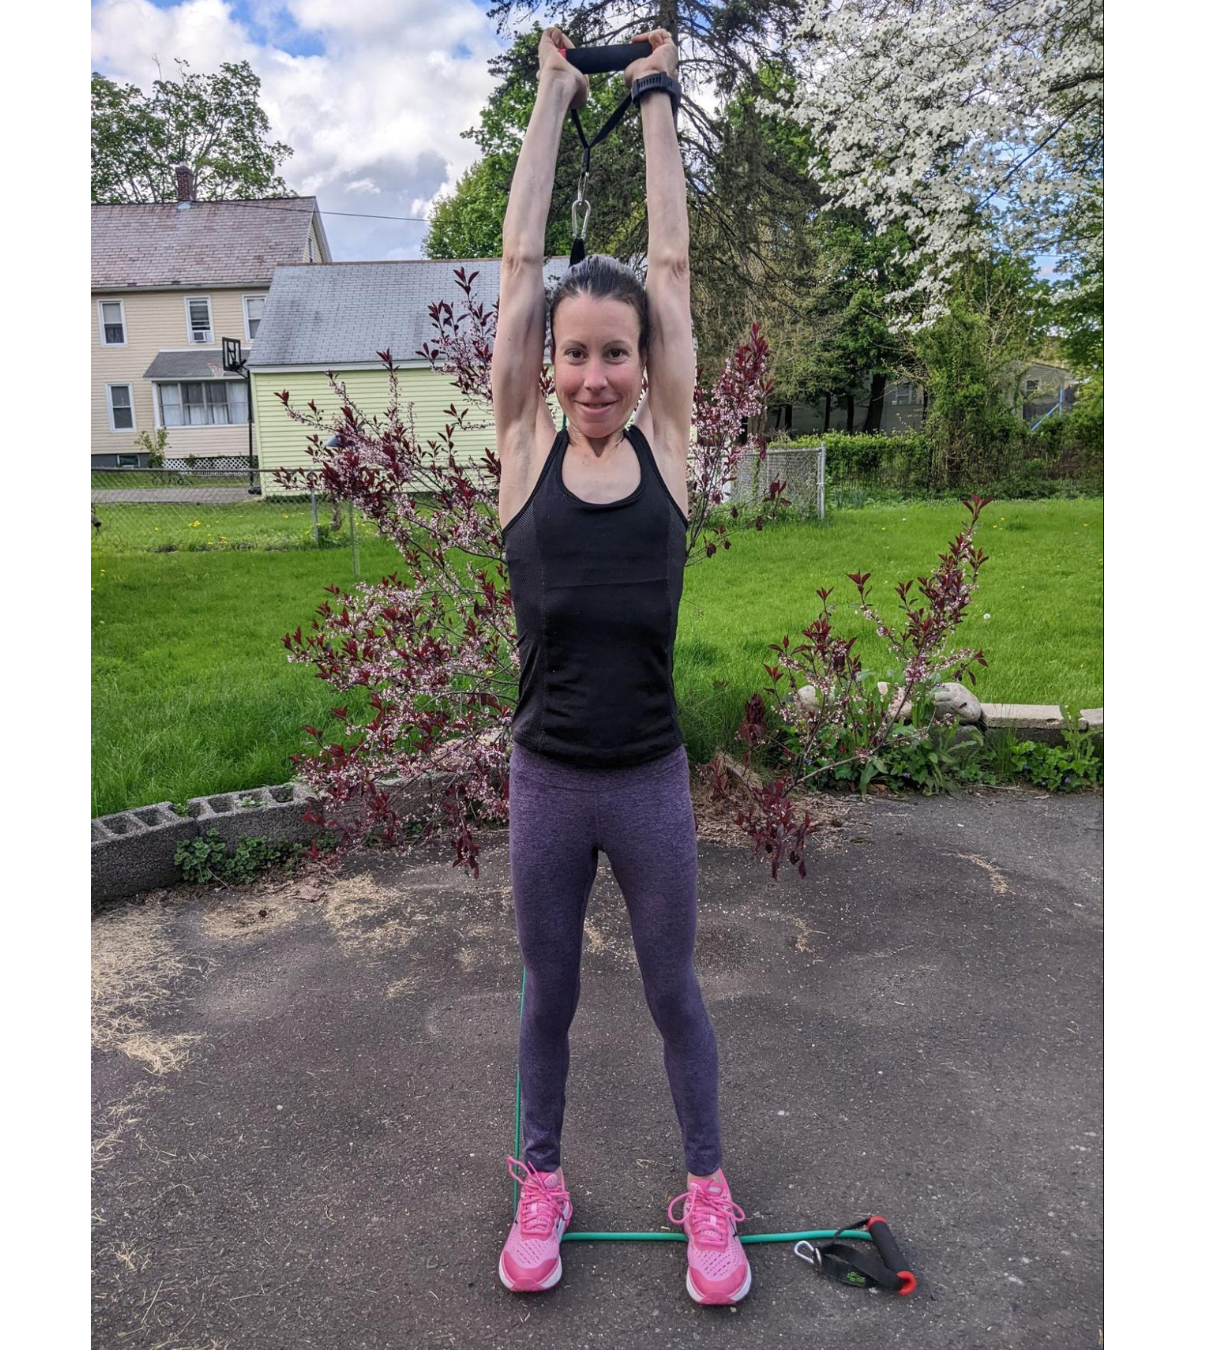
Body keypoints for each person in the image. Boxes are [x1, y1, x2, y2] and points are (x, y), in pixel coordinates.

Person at [487, 29, 750, 1305]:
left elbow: (673, 262)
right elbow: (520, 261)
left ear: (648, 365)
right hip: (548, 780)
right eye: (576, 352)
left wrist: (656, 94)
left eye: (616, 353)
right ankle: (540, 1179)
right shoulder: (523, 447)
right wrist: (552, 95)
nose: (595, 374)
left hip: (647, 783)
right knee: (548, 994)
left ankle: (708, 1189)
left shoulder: (672, 451)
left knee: (672, 991)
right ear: (550, 363)